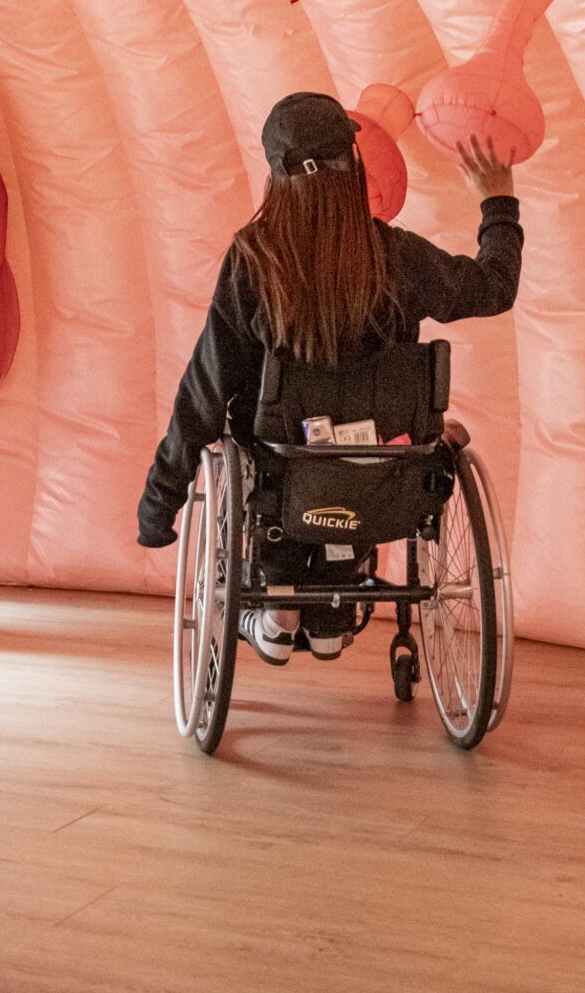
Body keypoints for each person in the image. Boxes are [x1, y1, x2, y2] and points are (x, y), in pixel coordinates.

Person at [137, 91, 521, 664]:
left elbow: (205, 390)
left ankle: (280, 605)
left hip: (281, 475)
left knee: (279, 448)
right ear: (355, 164)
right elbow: (494, 288)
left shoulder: (254, 261)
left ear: (275, 177)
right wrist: (499, 205)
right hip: (379, 471)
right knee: (375, 447)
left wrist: (159, 505)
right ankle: (334, 607)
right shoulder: (398, 258)